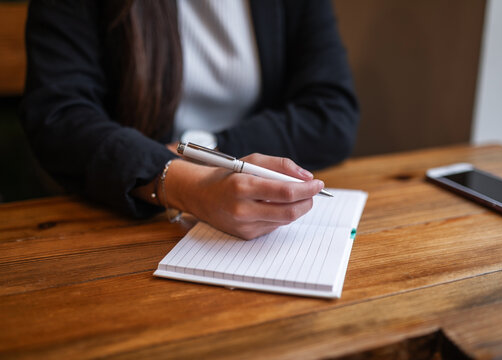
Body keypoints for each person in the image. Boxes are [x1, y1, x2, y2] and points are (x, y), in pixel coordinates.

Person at [21, 0, 359, 239]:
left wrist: (202, 151)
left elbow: (331, 113)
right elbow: (58, 116)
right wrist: (184, 182)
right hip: (112, 216)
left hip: (231, 204)